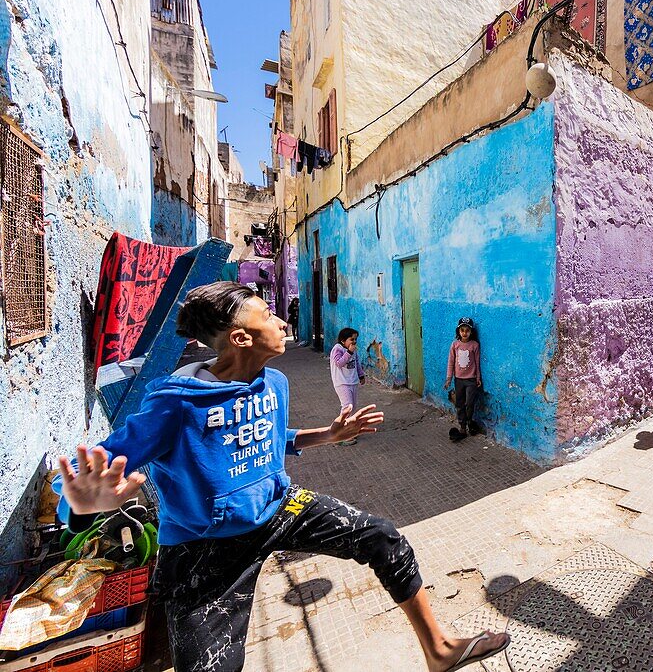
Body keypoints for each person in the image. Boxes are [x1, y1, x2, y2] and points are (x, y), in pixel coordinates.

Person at [56, 282, 509, 672]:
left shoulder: (275, 383)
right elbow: (77, 477)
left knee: (381, 537)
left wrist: (327, 436)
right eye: (268, 315)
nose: (281, 320)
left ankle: (440, 649)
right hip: (202, 549)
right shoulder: (174, 403)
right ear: (240, 338)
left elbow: (272, 435)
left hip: (279, 508)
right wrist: (82, 506)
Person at [443, 317, 481, 442]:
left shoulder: (474, 345)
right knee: (460, 404)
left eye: (467, 330)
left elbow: (477, 362)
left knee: (469, 403)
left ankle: (470, 421)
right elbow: (451, 362)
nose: (465, 333)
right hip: (458, 379)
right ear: (458, 331)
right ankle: (463, 427)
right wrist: (449, 379)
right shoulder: (455, 345)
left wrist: (478, 378)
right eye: (462, 330)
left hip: (471, 380)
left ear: (471, 332)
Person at [330, 327, 366, 446]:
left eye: (355, 339)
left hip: (353, 381)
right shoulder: (338, 349)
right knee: (347, 408)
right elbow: (339, 363)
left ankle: (349, 430)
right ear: (342, 340)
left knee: (353, 407)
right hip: (342, 383)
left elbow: (356, 363)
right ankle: (340, 435)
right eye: (351, 339)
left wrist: (361, 375)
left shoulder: (353, 350)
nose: (354, 342)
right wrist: (349, 352)